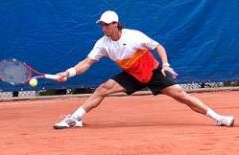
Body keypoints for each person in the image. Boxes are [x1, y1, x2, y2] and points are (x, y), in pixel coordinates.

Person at [53, 10, 235, 129]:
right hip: (132, 75)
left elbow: (158, 46)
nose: (104, 27)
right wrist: (69, 72)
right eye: (102, 24)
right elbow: (87, 62)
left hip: (153, 73)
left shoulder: (134, 36)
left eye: (107, 24)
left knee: (182, 96)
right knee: (103, 89)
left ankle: (219, 118)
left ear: (116, 24)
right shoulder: (102, 44)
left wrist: (165, 64)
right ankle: (75, 118)